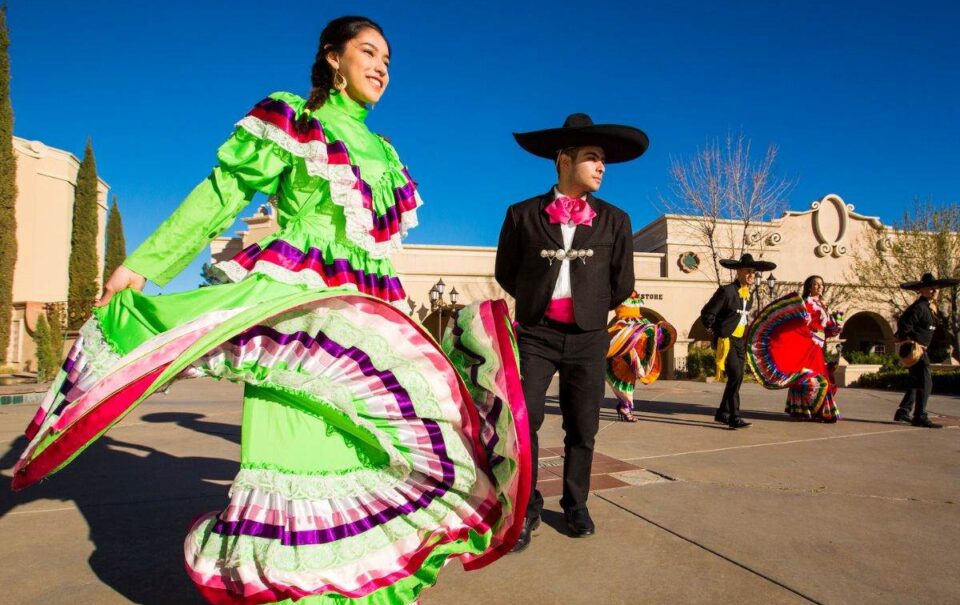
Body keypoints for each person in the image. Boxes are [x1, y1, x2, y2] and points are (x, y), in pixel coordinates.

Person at [12, 16, 530, 605]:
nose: (383, 66)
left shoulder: (386, 154)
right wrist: (143, 265)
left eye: (389, 58)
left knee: (389, 455)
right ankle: (289, 589)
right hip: (298, 315)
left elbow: (381, 251)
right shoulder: (296, 121)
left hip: (366, 328)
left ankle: (344, 589)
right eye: (368, 51)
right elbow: (222, 193)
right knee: (293, 452)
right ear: (332, 58)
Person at [495, 112, 645, 550]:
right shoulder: (521, 215)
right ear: (564, 160)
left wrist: (593, 310)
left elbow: (623, 282)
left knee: (583, 425)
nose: (602, 167)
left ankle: (576, 503)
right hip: (536, 333)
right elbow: (507, 273)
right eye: (593, 158)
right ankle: (527, 506)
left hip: (588, 336)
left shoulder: (616, 220)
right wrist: (536, 302)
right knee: (527, 421)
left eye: (604, 161)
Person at [745, 276, 843, 423]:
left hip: (818, 348)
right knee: (808, 376)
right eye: (815, 284)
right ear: (809, 287)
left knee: (817, 375)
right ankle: (819, 411)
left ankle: (806, 409)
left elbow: (827, 327)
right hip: (808, 345)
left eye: (821, 284)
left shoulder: (822, 304)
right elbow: (803, 320)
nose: (819, 287)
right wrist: (808, 321)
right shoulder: (806, 303)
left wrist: (836, 323)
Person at [700, 253, 776, 429]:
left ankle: (722, 413)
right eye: (748, 271)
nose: (751, 275)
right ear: (738, 272)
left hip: (739, 342)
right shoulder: (727, 292)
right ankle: (734, 416)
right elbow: (707, 313)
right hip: (726, 340)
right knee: (735, 376)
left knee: (738, 378)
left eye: (753, 273)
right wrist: (715, 332)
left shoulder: (748, 295)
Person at [893, 273, 959, 428]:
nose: (935, 291)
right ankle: (920, 416)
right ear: (921, 290)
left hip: (922, 348)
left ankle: (904, 410)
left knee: (916, 382)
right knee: (925, 382)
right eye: (931, 288)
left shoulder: (929, 308)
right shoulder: (919, 307)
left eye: (936, 288)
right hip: (917, 350)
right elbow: (903, 325)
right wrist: (910, 341)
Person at [605, 292, 677, 422]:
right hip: (625, 328)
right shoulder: (615, 289)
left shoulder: (631, 291)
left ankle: (625, 406)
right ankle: (625, 406)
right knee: (624, 373)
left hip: (637, 327)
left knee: (629, 375)